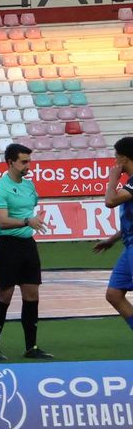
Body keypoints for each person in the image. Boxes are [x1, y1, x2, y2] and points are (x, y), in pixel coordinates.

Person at [0, 143, 50, 359]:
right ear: (10, 162)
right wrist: (27, 221)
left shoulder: (29, 186)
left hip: (27, 245)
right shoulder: (0, 188)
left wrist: (32, 220)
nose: (28, 165)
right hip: (7, 245)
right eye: (24, 162)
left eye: (29, 161)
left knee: (32, 294)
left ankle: (31, 347)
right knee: (5, 295)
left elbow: (31, 208)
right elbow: (2, 221)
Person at [95, 137, 133, 336]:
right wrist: (112, 240)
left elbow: (110, 201)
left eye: (116, 157)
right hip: (129, 245)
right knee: (114, 294)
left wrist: (112, 180)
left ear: (124, 158)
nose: (115, 161)